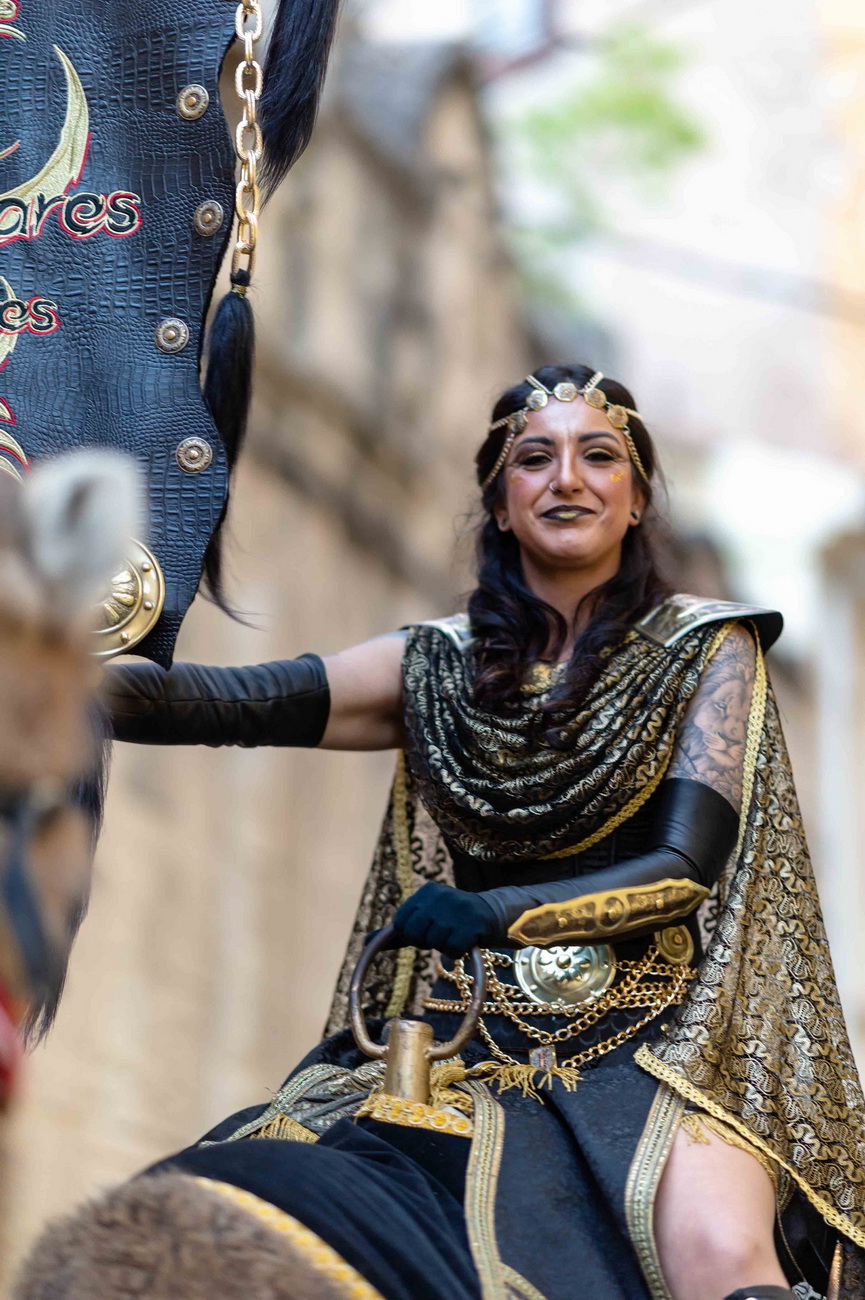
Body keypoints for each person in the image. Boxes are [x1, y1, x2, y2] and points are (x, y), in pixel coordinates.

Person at [48, 365, 865, 1300]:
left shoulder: (706, 647)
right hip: (455, 1030)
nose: (567, 479)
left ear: (637, 499)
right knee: (243, 1168)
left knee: (717, 1253)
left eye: (599, 457)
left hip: (650, 1038)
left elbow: (681, 870)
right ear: (500, 503)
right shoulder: (436, 663)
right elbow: (232, 701)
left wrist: (493, 913)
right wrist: (43, 654)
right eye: (534, 459)